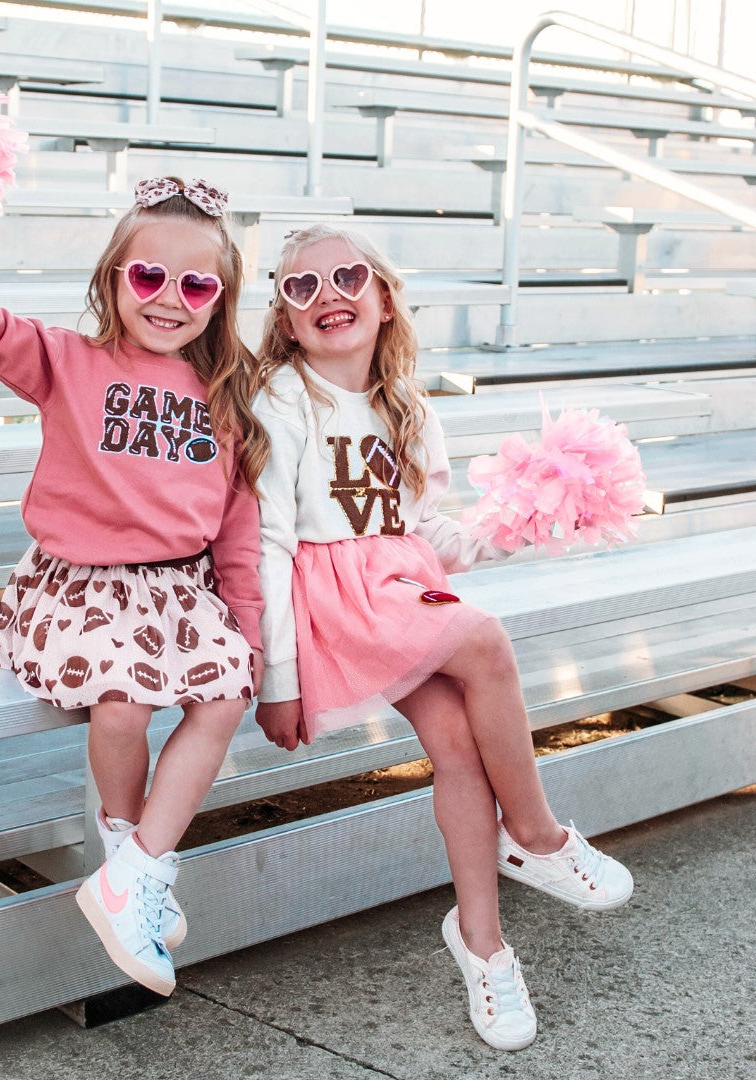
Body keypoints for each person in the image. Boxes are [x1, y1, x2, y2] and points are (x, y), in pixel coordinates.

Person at [251, 224, 633, 1052]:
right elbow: (270, 538)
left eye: (349, 277)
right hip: (330, 597)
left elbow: (428, 534)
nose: (329, 296)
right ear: (285, 320)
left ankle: (483, 948)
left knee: (459, 743)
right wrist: (277, 675)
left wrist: (519, 523)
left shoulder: (408, 409)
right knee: (485, 638)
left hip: (396, 584)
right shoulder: (282, 398)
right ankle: (537, 836)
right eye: (303, 287)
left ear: (385, 299)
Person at [0, 175, 266, 998]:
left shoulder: (228, 396)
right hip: (79, 587)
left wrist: (247, 629)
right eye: (149, 275)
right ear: (114, 278)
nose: (169, 298)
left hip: (181, 592)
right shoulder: (67, 360)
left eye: (196, 284)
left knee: (226, 696)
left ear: (220, 300)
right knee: (125, 704)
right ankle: (128, 858)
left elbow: (238, 529)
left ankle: (137, 870)